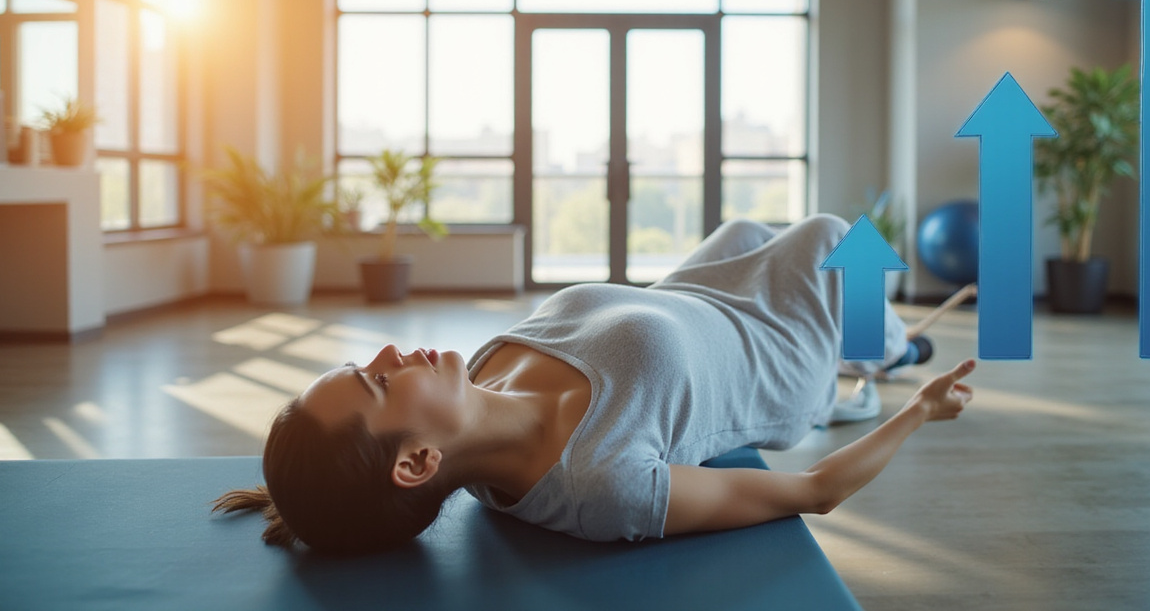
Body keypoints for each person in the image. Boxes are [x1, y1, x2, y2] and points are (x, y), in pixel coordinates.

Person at [213, 214, 976, 553]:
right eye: (377, 384)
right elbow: (811, 491)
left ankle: (883, 345)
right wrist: (917, 412)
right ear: (415, 463)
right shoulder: (601, 484)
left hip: (698, 294)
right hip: (777, 360)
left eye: (363, 367)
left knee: (746, 228)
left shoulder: (480, 371)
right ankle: (895, 356)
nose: (385, 352)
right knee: (829, 236)